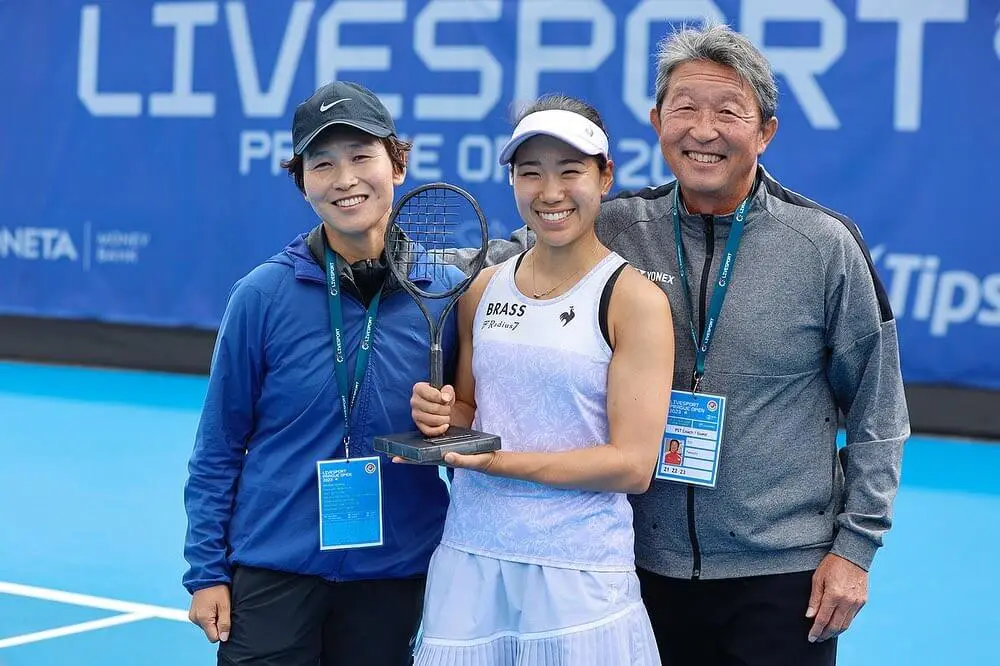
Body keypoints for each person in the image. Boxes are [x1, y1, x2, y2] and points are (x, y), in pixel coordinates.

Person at [449, 22, 909, 666]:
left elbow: (879, 411)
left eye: (729, 111)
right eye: (685, 108)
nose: (703, 129)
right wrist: (376, 244)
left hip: (781, 574)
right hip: (637, 566)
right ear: (656, 120)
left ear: (766, 130)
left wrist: (854, 551)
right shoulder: (612, 227)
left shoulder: (824, 246)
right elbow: (502, 265)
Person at [182, 80, 464, 665]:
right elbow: (218, 445)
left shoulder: (447, 298)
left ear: (398, 165)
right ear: (302, 182)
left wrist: (453, 418)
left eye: (362, 157)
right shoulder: (261, 295)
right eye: (322, 163)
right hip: (274, 571)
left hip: (396, 573)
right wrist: (207, 570)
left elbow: (477, 425)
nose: (345, 179)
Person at [405, 95, 675, 665]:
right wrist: (440, 415)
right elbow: (475, 414)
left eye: (570, 171)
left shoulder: (635, 302)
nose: (550, 192)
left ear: (605, 177)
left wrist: (496, 461)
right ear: (512, 181)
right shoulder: (482, 290)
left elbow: (632, 465)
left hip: (578, 572)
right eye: (531, 173)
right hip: (470, 558)